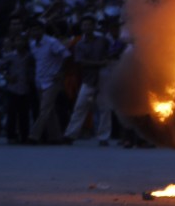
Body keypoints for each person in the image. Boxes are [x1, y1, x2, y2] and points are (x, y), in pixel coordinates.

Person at [62, 14, 114, 145]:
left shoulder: (102, 40)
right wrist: (100, 63)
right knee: (80, 106)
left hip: (103, 76)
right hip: (89, 78)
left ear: (94, 26)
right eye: (85, 24)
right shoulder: (79, 44)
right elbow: (81, 62)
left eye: (90, 24)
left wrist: (106, 62)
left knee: (104, 108)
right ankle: (70, 134)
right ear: (81, 27)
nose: (87, 27)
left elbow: (112, 51)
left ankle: (103, 137)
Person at [27, 17, 70, 144]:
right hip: (40, 80)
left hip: (52, 80)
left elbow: (66, 55)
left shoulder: (52, 42)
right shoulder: (32, 44)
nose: (35, 32)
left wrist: (61, 72)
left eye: (37, 29)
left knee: (44, 109)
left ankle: (33, 136)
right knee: (49, 110)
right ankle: (55, 137)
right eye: (32, 30)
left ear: (42, 30)